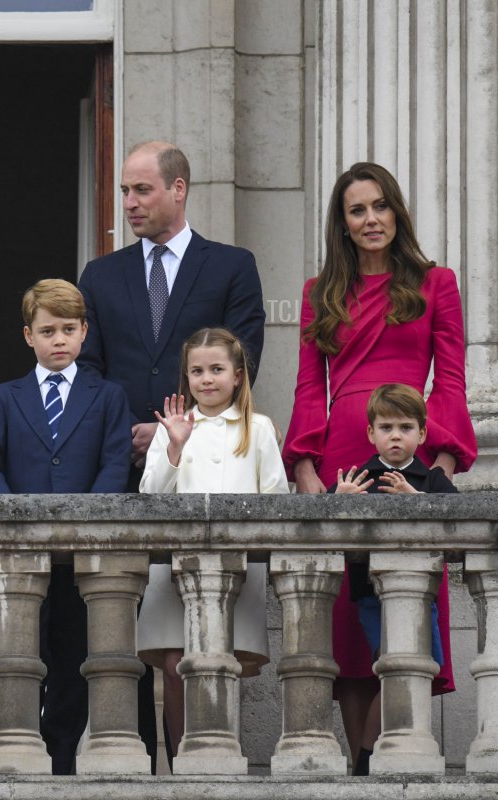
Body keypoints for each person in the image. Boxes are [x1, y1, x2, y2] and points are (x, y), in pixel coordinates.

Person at [282, 162, 476, 772]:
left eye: (379, 206)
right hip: (343, 458)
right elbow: (309, 385)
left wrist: (438, 460)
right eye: (356, 210)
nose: (371, 220)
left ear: (397, 211)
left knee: (406, 599)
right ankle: (361, 759)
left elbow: (449, 378)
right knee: (347, 620)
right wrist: (307, 470)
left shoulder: (436, 283)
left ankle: (373, 755)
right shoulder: (320, 293)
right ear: (342, 224)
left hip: (410, 457)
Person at [77, 140, 266, 767]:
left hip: (206, 469)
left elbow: (242, 359)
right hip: (124, 469)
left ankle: (203, 761)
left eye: (142, 191)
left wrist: (177, 428)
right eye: (125, 191)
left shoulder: (231, 266)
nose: (129, 202)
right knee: (138, 638)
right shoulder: (101, 276)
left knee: (209, 637)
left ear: (178, 189)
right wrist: (136, 430)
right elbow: (92, 370)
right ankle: (143, 763)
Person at [0, 278, 131, 775]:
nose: (58, 340)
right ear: (28, 336)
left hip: (83, 557)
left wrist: (87, 522)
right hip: (21, 557)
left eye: (67, 329)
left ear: (84, 332)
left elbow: (115, 463)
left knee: (74, 654)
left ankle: (60, 757)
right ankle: (22, 747)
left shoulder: (108, 396)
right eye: (47, 331)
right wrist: (15, 520)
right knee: (21, 652)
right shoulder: (4, 396)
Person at [138, 327, 283, 759]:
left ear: (238, 375)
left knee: (223, 662)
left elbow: (276, 500)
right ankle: (183, 759)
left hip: (237, 567)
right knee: (174, 664)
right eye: (197, 371)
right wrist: (175, 448)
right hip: (175, 566)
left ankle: (220, 755)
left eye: (217, 369)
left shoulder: (257, 428)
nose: (206, 379)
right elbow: (150, 497)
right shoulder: (172, 429)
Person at [331, 382, 456, 776]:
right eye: (386, 428)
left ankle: (382, 751)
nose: (396, 436)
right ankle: (366, 758)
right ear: (371, 434)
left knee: (423, 663)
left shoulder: (430, 479)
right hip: (371, 594)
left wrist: (414, 500)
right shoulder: (362, 477)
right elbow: (329, 533)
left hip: (422, 597)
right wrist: (341, 502)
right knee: (393, 665)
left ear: (421, 433)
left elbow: (457, 518)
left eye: (405, 427)